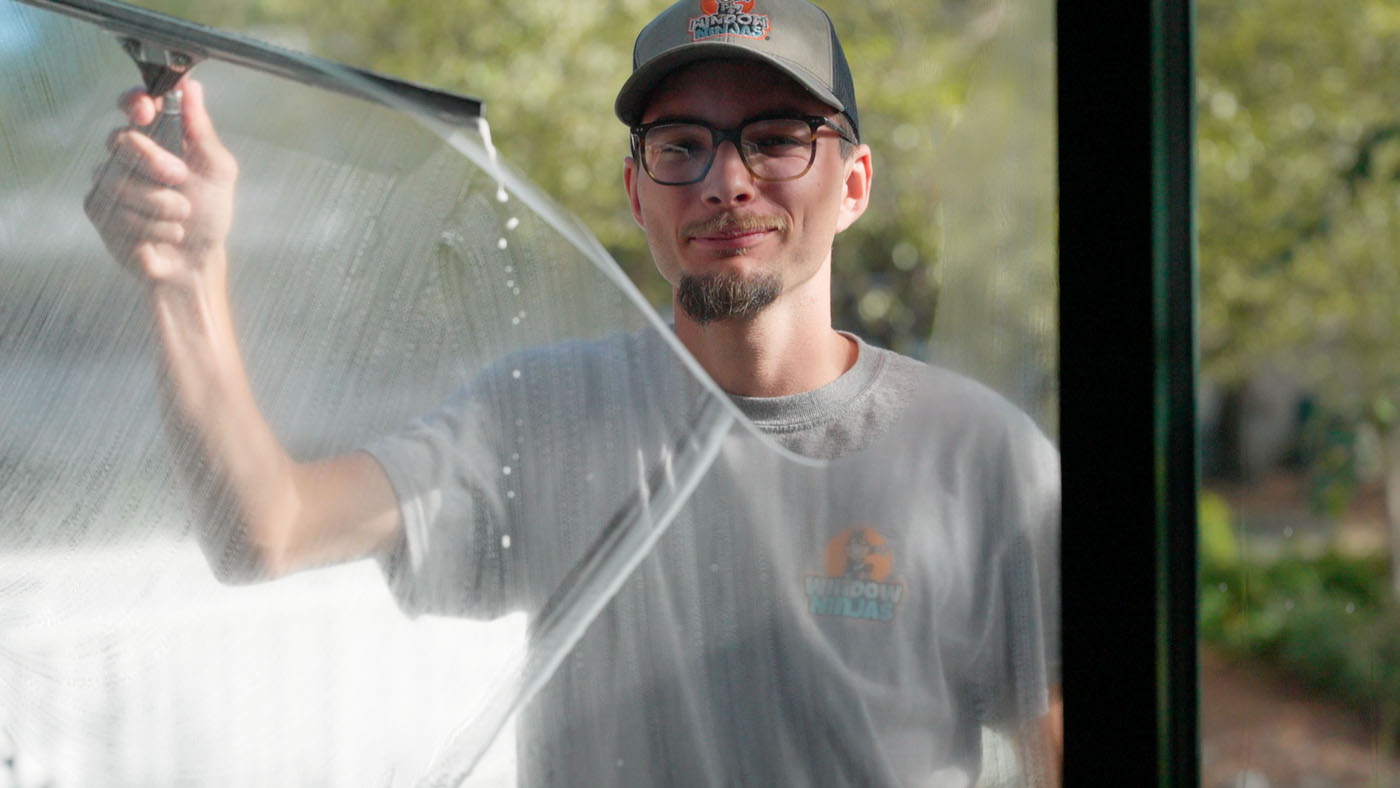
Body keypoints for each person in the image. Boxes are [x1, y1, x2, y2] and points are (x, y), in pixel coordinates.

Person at [86, 0, 1061, 783]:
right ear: (637, 192)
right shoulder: (541, 414)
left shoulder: (979, 455)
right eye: (680, 144)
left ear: (851, 185)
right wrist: (186, 277)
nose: (725, 179)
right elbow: (268, 526)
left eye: (774, 139)